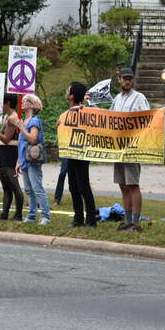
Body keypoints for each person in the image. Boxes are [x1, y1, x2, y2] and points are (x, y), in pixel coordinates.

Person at [109, 67, 150, 232]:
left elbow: (148, 119)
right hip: (118, 148)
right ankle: (127, 220)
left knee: (133, 184)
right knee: (123, 184)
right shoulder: (117, 98)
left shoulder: (139, 98)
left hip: (132, 147)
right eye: (124, 78)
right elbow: (109, 119)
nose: (127, 81)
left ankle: (136, 222)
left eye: (130, 79)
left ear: (133, 80)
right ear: (119, 79)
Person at [10, 94, 50, 225]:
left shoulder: (34, 121)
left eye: (27, 101)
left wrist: (21, 127)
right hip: (25, 160)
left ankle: (46, 216)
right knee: (28, 189)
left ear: (33, 105)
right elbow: (22, 143)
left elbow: (32, 139)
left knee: (37, 188)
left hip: (33, 160)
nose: (23, 102)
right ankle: (32, 216)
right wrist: (18, 161)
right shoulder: (24, 121)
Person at [62, 82, 97, 227]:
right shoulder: (67, 114)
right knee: (73, 186)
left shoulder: (83, 111)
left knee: (83, 186)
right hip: (70, 152)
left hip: (82, 153)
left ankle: (91, 219)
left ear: (71, 95)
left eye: (68, 90)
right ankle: (78, 218)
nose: (66, 91)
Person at [0, 93, 23, 220]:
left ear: (8, 103)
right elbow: (2, 142)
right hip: (3, 152)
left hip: (10, 153)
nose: (0, 105)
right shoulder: (7, 117)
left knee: (14, 185)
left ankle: (18, 214)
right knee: (6, 186)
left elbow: (6, 139)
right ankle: (4, 214)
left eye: (2, 102)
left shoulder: (12, 118)